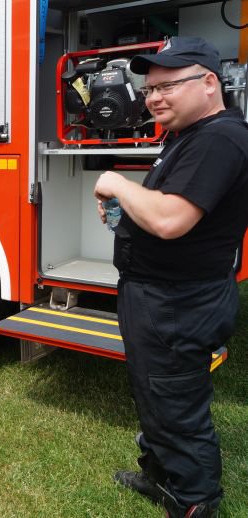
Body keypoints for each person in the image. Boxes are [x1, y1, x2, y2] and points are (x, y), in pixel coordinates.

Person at [94, 36, 248, 518]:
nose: (154, 98)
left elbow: (169, 220)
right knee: (155, 393)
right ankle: (160, 475)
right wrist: (126, 209)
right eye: (149, 90)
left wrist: (117, 183)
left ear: (209, 83)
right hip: (158, 295)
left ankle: (195, 501)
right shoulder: (189, 135)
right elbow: (163, 208)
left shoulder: (221, 138)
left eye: (167, 86)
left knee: (176, 404)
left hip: (180, 302)